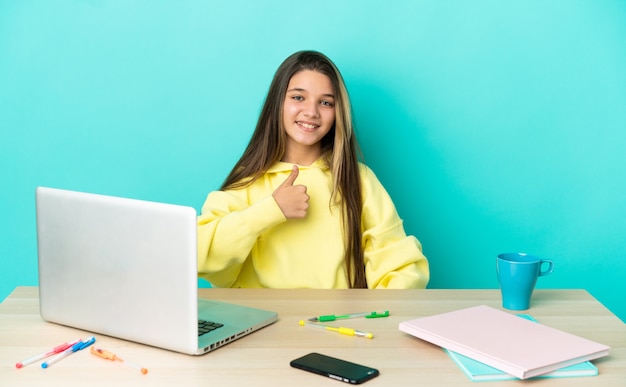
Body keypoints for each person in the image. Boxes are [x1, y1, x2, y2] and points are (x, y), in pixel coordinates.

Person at [197, 50, 429, 289]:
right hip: (263, 323)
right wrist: (270, 210)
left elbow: (402, 266)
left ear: (338, 113)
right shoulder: (248, 181)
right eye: (298, 97)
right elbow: (200, 255)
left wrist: (377, 316)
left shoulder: (358, 180)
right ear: (278, 103)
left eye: (326, 102)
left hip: (336, 324)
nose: (311, 112)